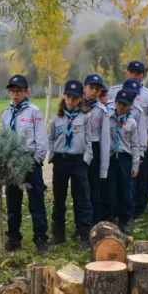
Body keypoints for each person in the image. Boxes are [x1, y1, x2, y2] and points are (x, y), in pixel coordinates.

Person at [0, 75, 50, 254]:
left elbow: (42, 141)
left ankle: (41, 239)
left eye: (18, 91)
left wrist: (35, 161)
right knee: (13, 202)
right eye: (12, 91)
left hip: (30, 160)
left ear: (26, 92)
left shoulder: (34, 112)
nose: (15, 94)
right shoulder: (6, 114)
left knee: (36, 202)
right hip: (12, 161)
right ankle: (13, 238)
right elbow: (3, 138)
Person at [109, 62, 148, 219]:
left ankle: (136, 212)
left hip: (139, 143)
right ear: (126, 73)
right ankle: (116, 211)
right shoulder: (114, 91)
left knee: (138, 179)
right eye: (132, 72)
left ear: (143, 76)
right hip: (116, 145)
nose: (135, 75)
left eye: (139, 73)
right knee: (115, 180)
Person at [49, 80, 94, 249]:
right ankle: (58, 234)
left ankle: (84, 235)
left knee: (82, 198)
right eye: (68, 96)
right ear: (64, 96)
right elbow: (51, 138)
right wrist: (52, 155)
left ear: (80, 99)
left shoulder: (85, 117)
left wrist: (86, 160)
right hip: (61, 160)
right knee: (59, 198)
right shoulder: (57, 118)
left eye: (75, 98)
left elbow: (89, 140)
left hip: (78, 161)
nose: (71, 101)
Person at [106, 89, 141, 233]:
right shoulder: (107, 118)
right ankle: (108, 218)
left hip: (125, 158)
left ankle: (125, 220)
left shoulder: (131, 122)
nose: (122, 107)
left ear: (130, 106)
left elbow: (135, 144)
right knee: (110, 189)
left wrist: (135, 164)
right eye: (120, 103)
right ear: (115, 103)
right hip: (110, 157)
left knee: (125, 189)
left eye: (125, 105)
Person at [82, 74, 111, 231]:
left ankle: (94, 225)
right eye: (91, 88)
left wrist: (104, 168)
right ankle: (81, 224)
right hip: (78, 148)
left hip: (94, 148)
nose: (94, 92)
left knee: (94, 189)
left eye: (97, 89)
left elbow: (105, 140)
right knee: (80, 189)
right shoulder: (76, 106)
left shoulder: (102, 110)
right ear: (84, 87)